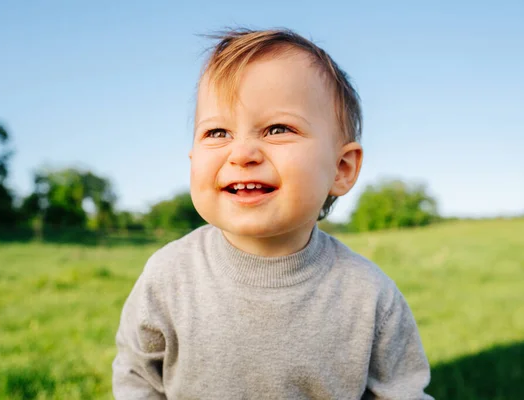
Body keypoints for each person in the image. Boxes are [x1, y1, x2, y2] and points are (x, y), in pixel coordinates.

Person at [112, 28, 433, 399]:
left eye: (278, 129)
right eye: (217, 132)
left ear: (341, 168)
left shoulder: (368, 294)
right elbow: (137, 376)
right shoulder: (168, 277)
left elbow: (401, 392)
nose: (242, 152)